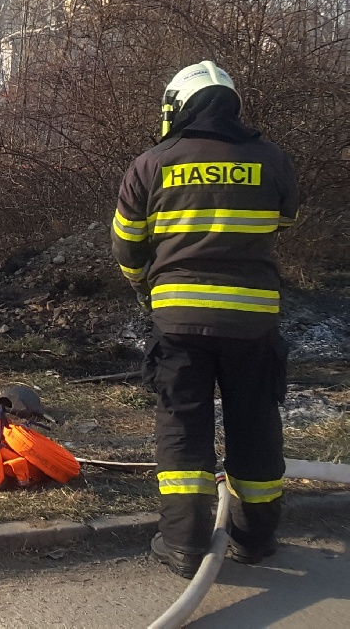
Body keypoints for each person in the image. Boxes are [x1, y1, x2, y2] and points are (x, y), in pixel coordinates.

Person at [111, 60, 298, 578]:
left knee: (183, 425)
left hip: (178, 322)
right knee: (255, 424)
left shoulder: (152, 163)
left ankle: (183, 545)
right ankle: (254, 540)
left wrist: (147, 288)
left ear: (176, 108)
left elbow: (126, 245)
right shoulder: (272, 159)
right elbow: (284, 220)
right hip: (253, 321)